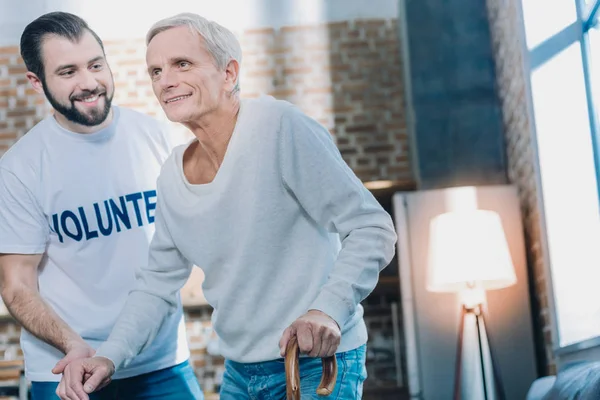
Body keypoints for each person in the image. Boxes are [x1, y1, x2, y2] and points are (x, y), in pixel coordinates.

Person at [58, 12, 397, 400]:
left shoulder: (279, 127)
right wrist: (108, 358)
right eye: (155, 71)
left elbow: (372, 228)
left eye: (181, 64)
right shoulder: (172, 175)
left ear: (229, 73)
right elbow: (156, 285)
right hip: (238, 373)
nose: (165, 81)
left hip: (311, 364)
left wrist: (327, 309)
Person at [0, 11, 202, 400]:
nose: (89, 82)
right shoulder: (20, 169)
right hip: (68, 371)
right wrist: (72, 345)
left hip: (160, 363)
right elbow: (16, 284)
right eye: (68, 72)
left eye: (96, 65)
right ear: (36, 81)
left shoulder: (158, 138)